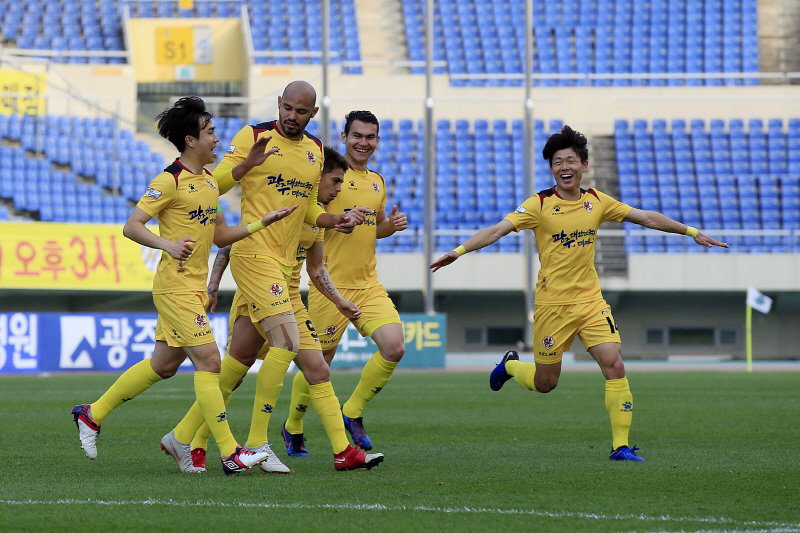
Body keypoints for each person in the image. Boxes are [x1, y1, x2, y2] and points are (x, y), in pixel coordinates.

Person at [430, 125, 728, 461]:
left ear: (583, 165)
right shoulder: (539, 204)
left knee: (614, 363)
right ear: (552, 169)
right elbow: (498, 229)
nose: (564, 167)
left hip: (590, 302)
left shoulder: (597, 201)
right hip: (552, 306)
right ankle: (511, 366)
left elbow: (644, 217)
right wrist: (457, 252)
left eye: (570, 160)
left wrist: (691, 232)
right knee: (546, 383)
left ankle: (620, 446)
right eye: (557, 162)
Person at [71, 97, 295, 475]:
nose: (216, 138)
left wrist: (262, 223)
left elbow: (222, 235)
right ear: (191, 140)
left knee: (164, 364)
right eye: (210, 132)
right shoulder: (168, 181)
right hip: (173, 287)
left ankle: (92, 414)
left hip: (191, 289)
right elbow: (132, 225)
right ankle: (230, 451)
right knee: (210, 361)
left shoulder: (209, 182)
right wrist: (168, 244)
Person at [168, 81, 371, 473]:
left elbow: (309, 209)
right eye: (288, 108)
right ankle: (259, 441)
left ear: (312, 114)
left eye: (301, 112)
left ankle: (184, 438)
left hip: (282, 270)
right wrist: (245, 166)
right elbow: (214, 183)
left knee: (239, 362)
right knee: (288, 341)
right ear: (279, 104)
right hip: (252, 253)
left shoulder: (314, 151)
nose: (292, 117)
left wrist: (335, 219)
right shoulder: (253, 136)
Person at [298, 110, 409, 451]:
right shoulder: (326, 176)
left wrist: (390, 225)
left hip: (368, 283)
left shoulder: (377, 181)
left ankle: (353, 410)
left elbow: (373, 228)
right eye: (357, 136)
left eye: (370, 137)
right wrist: (337, 220)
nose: (364, 143)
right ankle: (293, 425)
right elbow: (310, 217)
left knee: (394, 346)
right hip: (328, 284)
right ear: (344, 137)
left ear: (377, 141)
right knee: (319, 365)